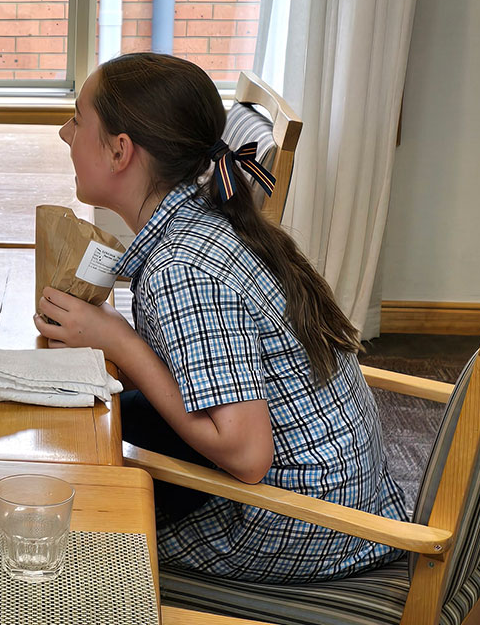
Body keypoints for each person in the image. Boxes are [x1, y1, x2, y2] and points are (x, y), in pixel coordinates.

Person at [35, 52, 407, 583]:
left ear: (120, 151)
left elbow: (247, 454)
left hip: (296, 523)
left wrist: (120, 342)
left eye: (77, 120)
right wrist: (111, 338)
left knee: (69, 536)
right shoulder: (205, 216)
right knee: (89, 424)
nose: (64, 134)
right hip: (343, 497)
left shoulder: (182, 268)